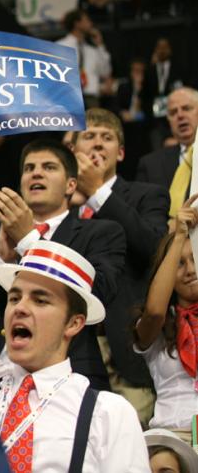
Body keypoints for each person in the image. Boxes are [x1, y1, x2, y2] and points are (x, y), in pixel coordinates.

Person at [0, 124, 148, 472]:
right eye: (14, 297)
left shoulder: (107, 414)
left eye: (41, 300)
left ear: (74, 322)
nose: (20, 308)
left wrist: (29, 239)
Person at [0, 138, 127, 390]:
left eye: (49, 167)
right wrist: (0, 260)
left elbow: (97, 295)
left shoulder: (100, 233)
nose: (36, 173)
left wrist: (28, 241)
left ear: (71, 184)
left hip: (70, 379)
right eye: (29, 168)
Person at [73, 108, 169, 422]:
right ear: (73, 151)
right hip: (71, 354)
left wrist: (98, 192)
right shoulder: (59, 204)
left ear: (122, 152)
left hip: (127, 351)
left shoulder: (148, 195)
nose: (98, 143)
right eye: (89, 136)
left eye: (107, 137)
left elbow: (153, 249)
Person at [135, 199, 198, 439]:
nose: (190, 270)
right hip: (172, 436)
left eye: (195, 259)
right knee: (164, 458)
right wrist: (179, 236)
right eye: (179, 263)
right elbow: (154, 312)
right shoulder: (158, 323)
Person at [136, 87, 198, 217]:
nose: (180, 115)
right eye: (173, 112)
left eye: (186, 108)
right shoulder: (150, 164)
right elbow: (143, 217)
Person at [57, 10, 112, 109]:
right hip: (70, 97)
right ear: (77, 24)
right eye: (86, 20)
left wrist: (100, 45)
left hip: (91, 98)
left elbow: (105, 72)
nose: (91, 23)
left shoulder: (93, 50)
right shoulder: (60, 46)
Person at [143, 38, 188, 150]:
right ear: (155, 50)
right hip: (155, 120)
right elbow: (145, 95)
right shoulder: (149, 71)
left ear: (170, 50)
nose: (162, 50)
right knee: (157, 148)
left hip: (175, 115)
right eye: (159, 48)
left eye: (165, 47)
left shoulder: (179, 69)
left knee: (178, 148)